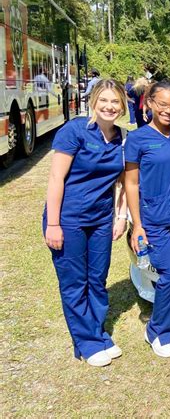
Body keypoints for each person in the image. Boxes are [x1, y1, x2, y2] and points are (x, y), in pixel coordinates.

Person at [43, 79, 128, 367]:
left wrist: (121, 216)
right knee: (74, 282)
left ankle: (97, 333)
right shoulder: (75, 131)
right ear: (93, 101)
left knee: (97, 279)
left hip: (102, 218)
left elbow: (122, 183)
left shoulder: (122, 137)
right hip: (69, 219)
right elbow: (56, 178)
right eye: (104, 100)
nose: (109, 106)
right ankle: (87, 343)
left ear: (123, 105)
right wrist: (53, 224)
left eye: (115, 101)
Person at [124, 81, 170, 359]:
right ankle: (156, 331)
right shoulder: (138, 139)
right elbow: (130, 184)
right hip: (155, 221)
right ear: (149, 104)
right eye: (162, 104)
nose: (168, 110)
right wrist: (137, 224)